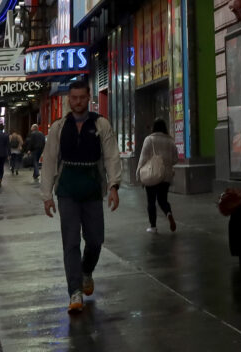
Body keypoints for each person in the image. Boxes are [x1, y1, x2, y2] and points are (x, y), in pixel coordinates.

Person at [39, 78, 123, 314]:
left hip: (92, 189)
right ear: (69, 99)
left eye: (82, 98)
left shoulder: (101, 125)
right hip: (67, 190)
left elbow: (111, 156)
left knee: (96, 240)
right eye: (73, 98)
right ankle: (74, 291)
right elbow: (49, 162)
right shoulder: (58, 127)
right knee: (71, 242)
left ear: (89, 98)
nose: (77, 102)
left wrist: (114, 185)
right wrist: (47, 196)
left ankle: (86, 271)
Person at [137, 119, 178, 233]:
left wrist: (138, 174)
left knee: (151, 201)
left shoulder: (149, 139)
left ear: (154, 128)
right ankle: (168, 214)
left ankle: (153, 226)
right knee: (162, 200)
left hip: (152, 174)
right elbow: (175, 159)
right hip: (166, 176)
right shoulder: (170, 141)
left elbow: (143, 158)